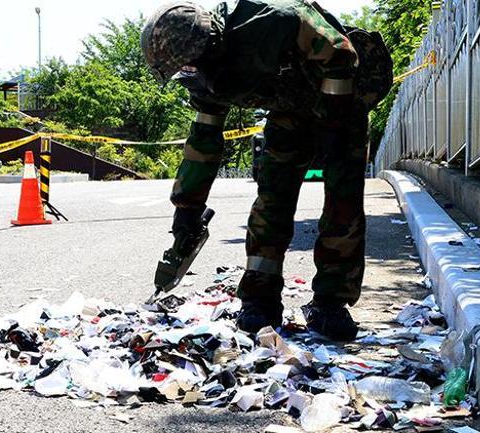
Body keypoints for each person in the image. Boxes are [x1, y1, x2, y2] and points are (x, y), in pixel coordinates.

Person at [142, 0, 392, 341]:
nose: (189, 73)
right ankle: (260, 298)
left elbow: (341, 54)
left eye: (190, 64)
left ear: (208, 44)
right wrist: (187, 209)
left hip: (341, 95)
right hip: (289, 107)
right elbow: (204, 140)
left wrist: (334, 126)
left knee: (342, 199)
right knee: (273, 196)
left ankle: (331, 303)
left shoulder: (276, 20)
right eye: (183, 69)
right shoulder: (205, 71)